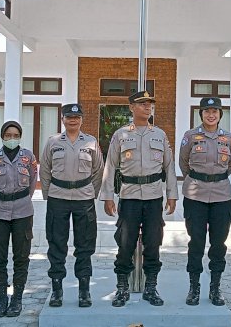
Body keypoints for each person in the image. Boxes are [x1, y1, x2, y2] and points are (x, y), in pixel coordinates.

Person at [99, 90, 178, 307]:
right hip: (129, 196)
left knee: (153, 243)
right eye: (142, 104)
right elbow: (110, 166)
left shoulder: (159, 135)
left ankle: (151, 288)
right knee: (125, 244)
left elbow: (169, 166)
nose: (147, 107)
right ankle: (122, 288)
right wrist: (107, 196)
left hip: (153, 197)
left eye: (150, 103)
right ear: (131, 107)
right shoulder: (121, 134)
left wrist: (172, 195)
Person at [40, 103, 104, 308]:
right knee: (56, 244)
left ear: (82, 120)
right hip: (58, 197)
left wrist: (90, 193)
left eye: (76, 117)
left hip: (83, 198)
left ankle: (84, 290)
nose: (73, 120)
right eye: (69, 117)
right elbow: (45, 170)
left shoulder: (91, 142)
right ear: (63, 119)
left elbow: (98, 171)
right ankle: (57, 290)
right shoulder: (53, 142)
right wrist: (48, 194)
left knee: (84, 245)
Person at [178, 97, 231, 306]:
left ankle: (215, 288)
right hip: (196, 195)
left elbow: (230, 165)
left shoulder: (228, 138)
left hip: (221, 195)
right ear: (200, 114)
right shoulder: (190, 136)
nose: (211, 115)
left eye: (215, 111)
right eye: (206, 111)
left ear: (221, 114)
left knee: (218, 243)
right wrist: (199, 179)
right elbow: (184, 163)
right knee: (196, 242)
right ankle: (194, 288)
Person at [0, 120, 37, 317]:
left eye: (16, 135)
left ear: (20, 136)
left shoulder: (28, 157)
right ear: (2, 136)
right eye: (8, 135)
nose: (12, 139)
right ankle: (1, 299)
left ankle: (17, 299)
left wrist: (18, 199)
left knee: (21, 257)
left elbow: (31, 183)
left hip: (23, 210)